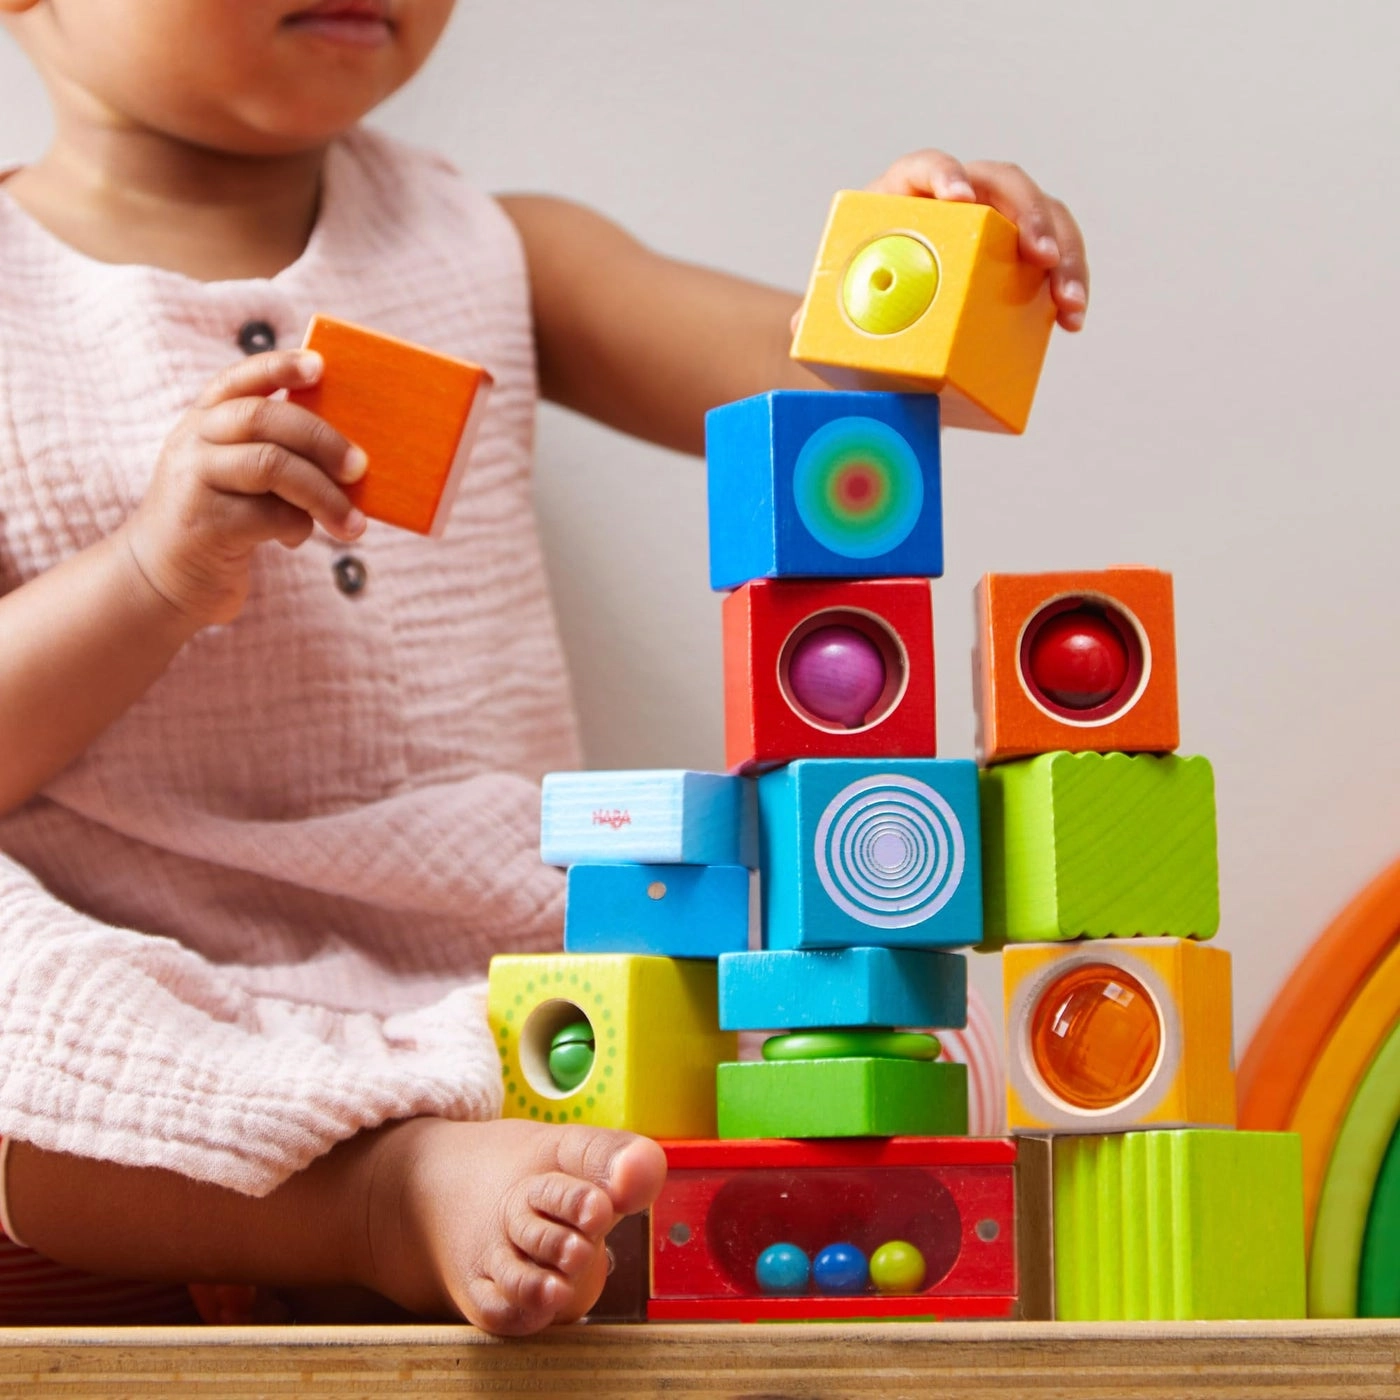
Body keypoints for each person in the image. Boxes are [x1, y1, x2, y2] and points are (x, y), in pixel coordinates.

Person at [0, 0, 1088, 1335]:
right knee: (33, 1060)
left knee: (890, 1036)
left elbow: (837, 392)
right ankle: (382, 1199)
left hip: (509, 962)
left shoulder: (497, 249)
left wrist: (926, 264)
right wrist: (154, 575)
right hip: (130, 963)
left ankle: (555, 1185)